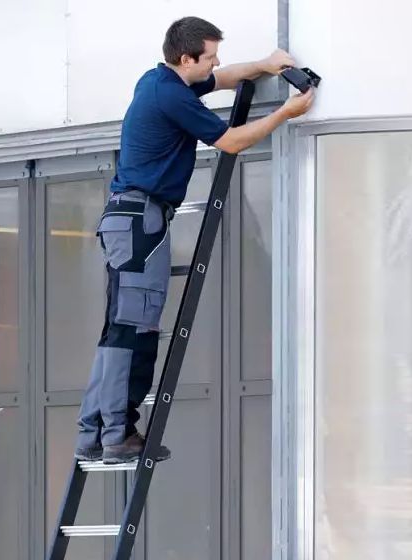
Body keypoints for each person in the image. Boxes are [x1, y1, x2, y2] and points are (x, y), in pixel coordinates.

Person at [75, 16, 316, 463]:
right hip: (140, 222)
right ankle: (117, 433)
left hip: (130, 218)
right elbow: (231, 141)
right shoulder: (170, 95)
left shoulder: (159, 81)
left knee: (121, 327)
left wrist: (265, 64)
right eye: (209, 55)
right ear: (186, 58)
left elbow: (220, 78)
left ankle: (97, 431)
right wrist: (286, 113)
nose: (217, 62)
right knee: (136, 329)